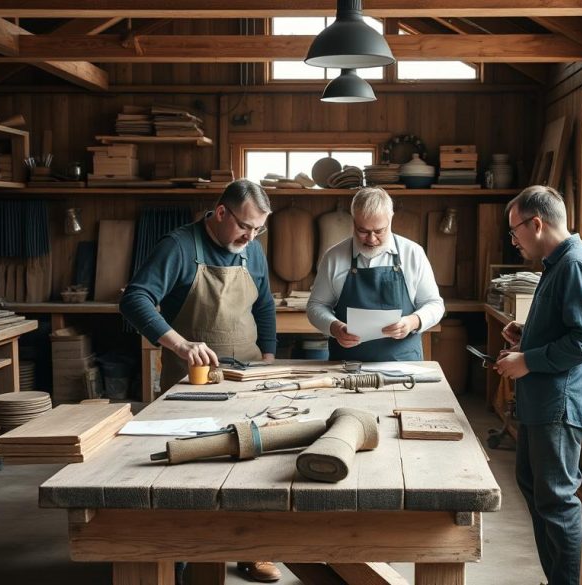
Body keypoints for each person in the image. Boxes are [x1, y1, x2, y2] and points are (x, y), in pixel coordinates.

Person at [120, 178, 280, 584]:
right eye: (245, 226)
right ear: (221, 212)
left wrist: (268, 355)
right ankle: (181, 553)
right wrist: (177, 343)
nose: (251, 236)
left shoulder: (252, 251)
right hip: (190, 381)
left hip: (245, 376)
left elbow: (264, 305)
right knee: (188, 467)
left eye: (258, 229)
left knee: (253, 463)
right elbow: (134, 298)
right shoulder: (179, 246)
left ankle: (252, 549)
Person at [494, 185, 582, 585]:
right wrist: (527, 335)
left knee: (557, 502)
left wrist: (528, 360)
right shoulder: (556, 263)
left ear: (536, 223)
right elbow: (566, 328)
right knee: (536, 490)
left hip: (559, 406)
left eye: (515, 231)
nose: (514, 241)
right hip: (543, 403)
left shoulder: (575, 265)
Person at [307, 187, 445, 361]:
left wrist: (412, 322)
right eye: (362, 231)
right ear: (353, 221)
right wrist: (334, 327)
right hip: (346, 367)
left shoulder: (413, 253)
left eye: (379, 231)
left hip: (403, 366)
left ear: (391, 218)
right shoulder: (334, 257)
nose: (371, 239)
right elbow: (315, 306)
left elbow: (435, 304)